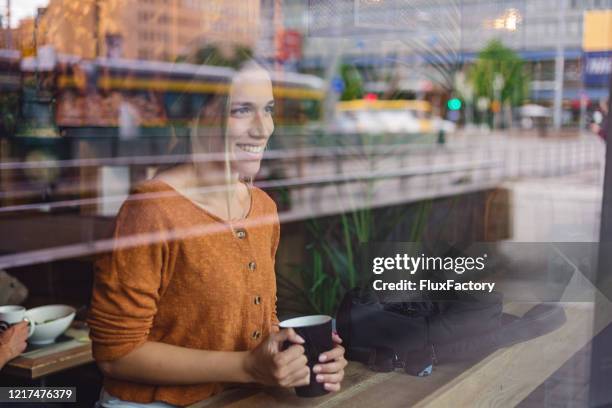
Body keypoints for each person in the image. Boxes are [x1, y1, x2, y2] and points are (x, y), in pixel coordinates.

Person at [87, 59, 346, 407]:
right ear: (195, 118)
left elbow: (258, 323)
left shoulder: (262, 207)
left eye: (267, 109)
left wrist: (293, 359)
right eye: (242, 110)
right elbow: (115, 354)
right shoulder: (151, 210)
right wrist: (248, 367)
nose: (263, 128)